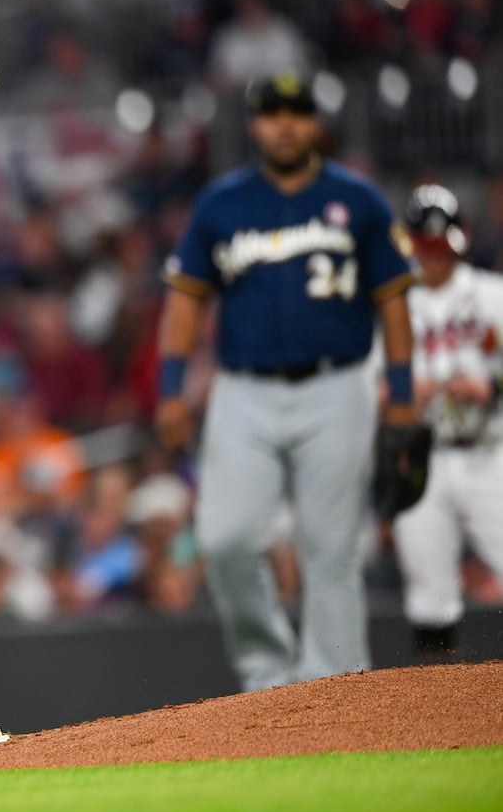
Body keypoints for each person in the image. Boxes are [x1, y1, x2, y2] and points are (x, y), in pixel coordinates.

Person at [154, 74, 419, 692]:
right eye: (272, 112)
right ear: (254, 123)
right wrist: (171, 389)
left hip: (338, 386)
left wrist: (402, 395)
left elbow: (395, 304)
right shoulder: (221, 204)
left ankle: (336, 684)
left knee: (330, 547)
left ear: (313, 122)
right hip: (243, 391)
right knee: (224, 539)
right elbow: (186, 303)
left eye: (297, 112)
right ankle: (267, 678)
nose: (285, 124)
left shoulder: (358, 199)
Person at [392, 184, 503, 658]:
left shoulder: (493, 294)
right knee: (429, 601)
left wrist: (491, 387)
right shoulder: (394, 306)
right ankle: (437, 723)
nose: (435, 257)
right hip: (424, 456)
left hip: (489, 450)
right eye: (426, 247)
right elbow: (371, 386)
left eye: (442, 247)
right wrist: (401, 392)